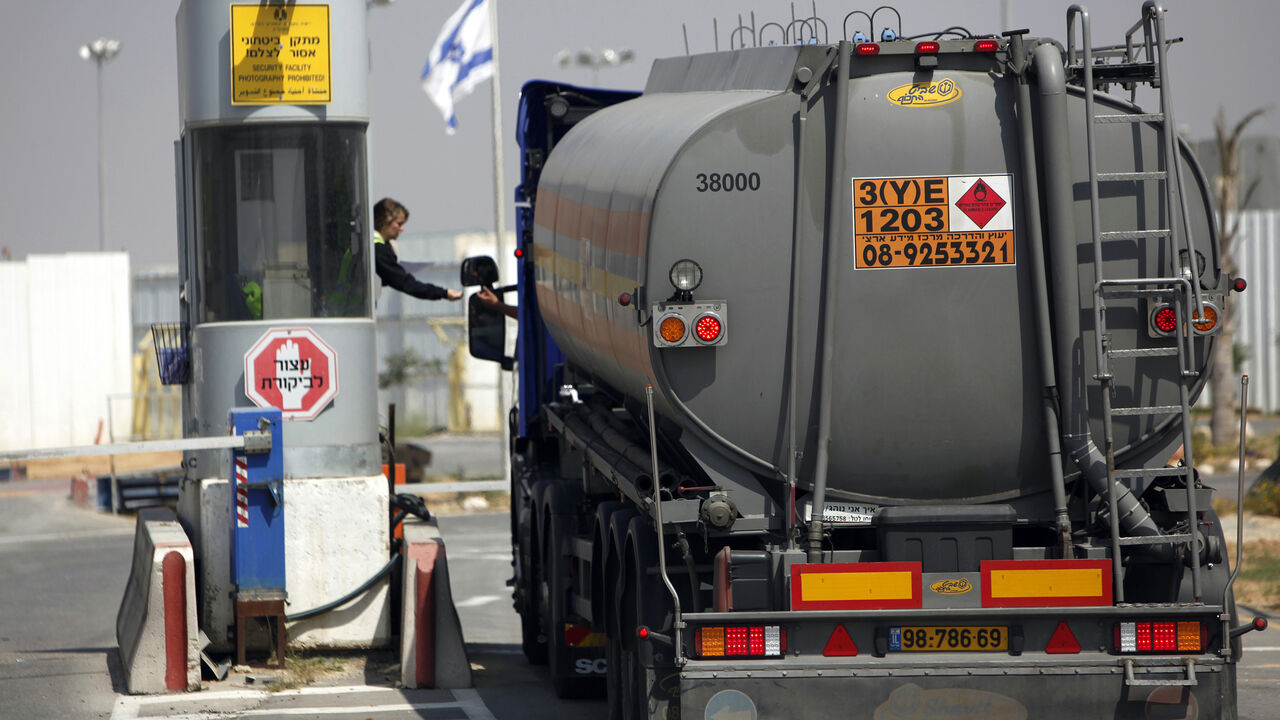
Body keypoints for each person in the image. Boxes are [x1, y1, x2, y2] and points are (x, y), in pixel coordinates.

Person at [373, 197, 463, 302]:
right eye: (399, 224)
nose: (402, 229)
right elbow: (406, 284)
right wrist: (444, 293)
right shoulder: (378, 250)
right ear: (385, 221)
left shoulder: (369, 244)